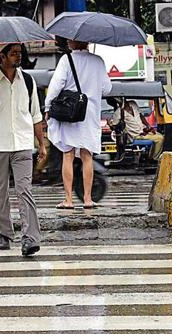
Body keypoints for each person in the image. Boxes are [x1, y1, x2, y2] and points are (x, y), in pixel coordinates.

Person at [0, 43, 46, 256]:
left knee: (25, 190)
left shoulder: (28, 81)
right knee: (0, 192)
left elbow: (35, 116)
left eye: (19, 53)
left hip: (22, 144)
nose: (18, 56)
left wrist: (41, 144)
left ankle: (30, 238)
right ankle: (4, 233)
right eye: (13, 53)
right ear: (2, 56)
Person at [45, 40, 112, 209]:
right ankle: (88, 199)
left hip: (70, 112)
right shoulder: (98, 61)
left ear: (73, 42)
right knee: (87, 156)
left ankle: (68, 200)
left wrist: (48, 106)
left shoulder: (66, 60)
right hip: (89, 114)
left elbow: (55, 86)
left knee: (67, 154)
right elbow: (107, 89)